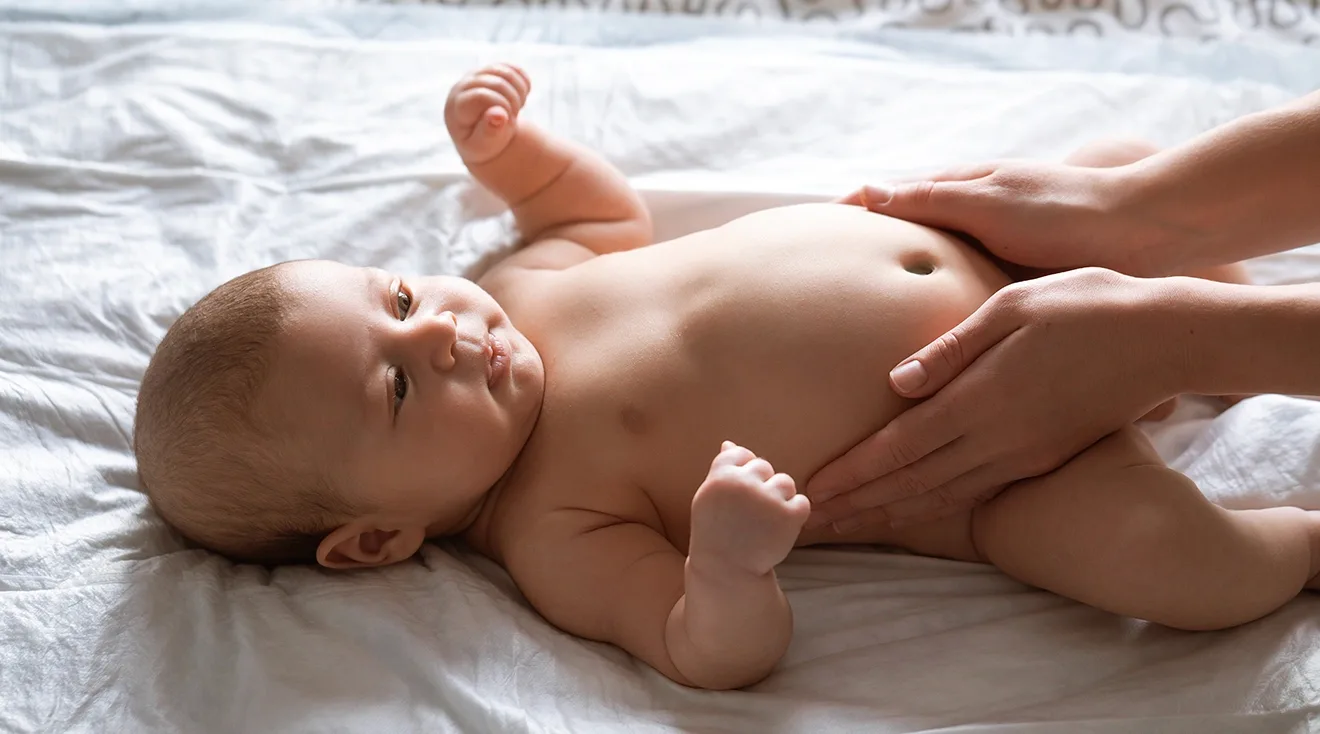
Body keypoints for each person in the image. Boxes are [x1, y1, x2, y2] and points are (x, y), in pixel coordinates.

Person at [133, 64, 1320, 692]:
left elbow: (594, 213)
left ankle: (1213, 323)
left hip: (1019, 250)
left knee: (1123, 167)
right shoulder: (551, 525)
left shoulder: (520, 286)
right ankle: (1296, 542)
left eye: (398, 296)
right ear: (375, 538)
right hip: (1001, 465)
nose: (440, 330)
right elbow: (704, 648)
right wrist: (730, 564)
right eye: (396, 388)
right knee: (1167, 564)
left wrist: (514, 157)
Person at [807, 89, 1320, 531]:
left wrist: (1174, 344)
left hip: (1019, 380)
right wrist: (1126, 205)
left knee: (1137, 539)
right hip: (1005, 329)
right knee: (1116, 157)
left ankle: (1297, 544)